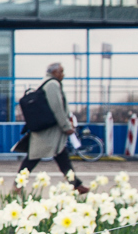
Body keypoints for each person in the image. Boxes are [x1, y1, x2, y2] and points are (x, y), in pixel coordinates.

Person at [21, 63, 88, 193]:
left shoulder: (48, 83)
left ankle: (76, 184)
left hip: (50, 131)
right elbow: (57, 107)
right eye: (61, 71)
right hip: (49, 131)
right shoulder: (52, 84)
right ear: (54, 72)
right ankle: (17, 185)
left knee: (61, 157)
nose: (63, 74)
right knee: (33, 158)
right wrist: (66, 126)